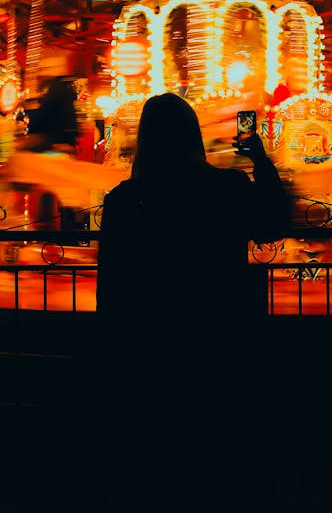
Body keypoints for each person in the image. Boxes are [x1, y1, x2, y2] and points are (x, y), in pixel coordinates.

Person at [95, 92, 291, 512]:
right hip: (218, 335)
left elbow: (112, 281)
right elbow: (273, 226)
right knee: (217, 455)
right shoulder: (227, 188)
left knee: (156, 463)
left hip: (151, 343)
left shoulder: (124, 200)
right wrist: (259, 159)